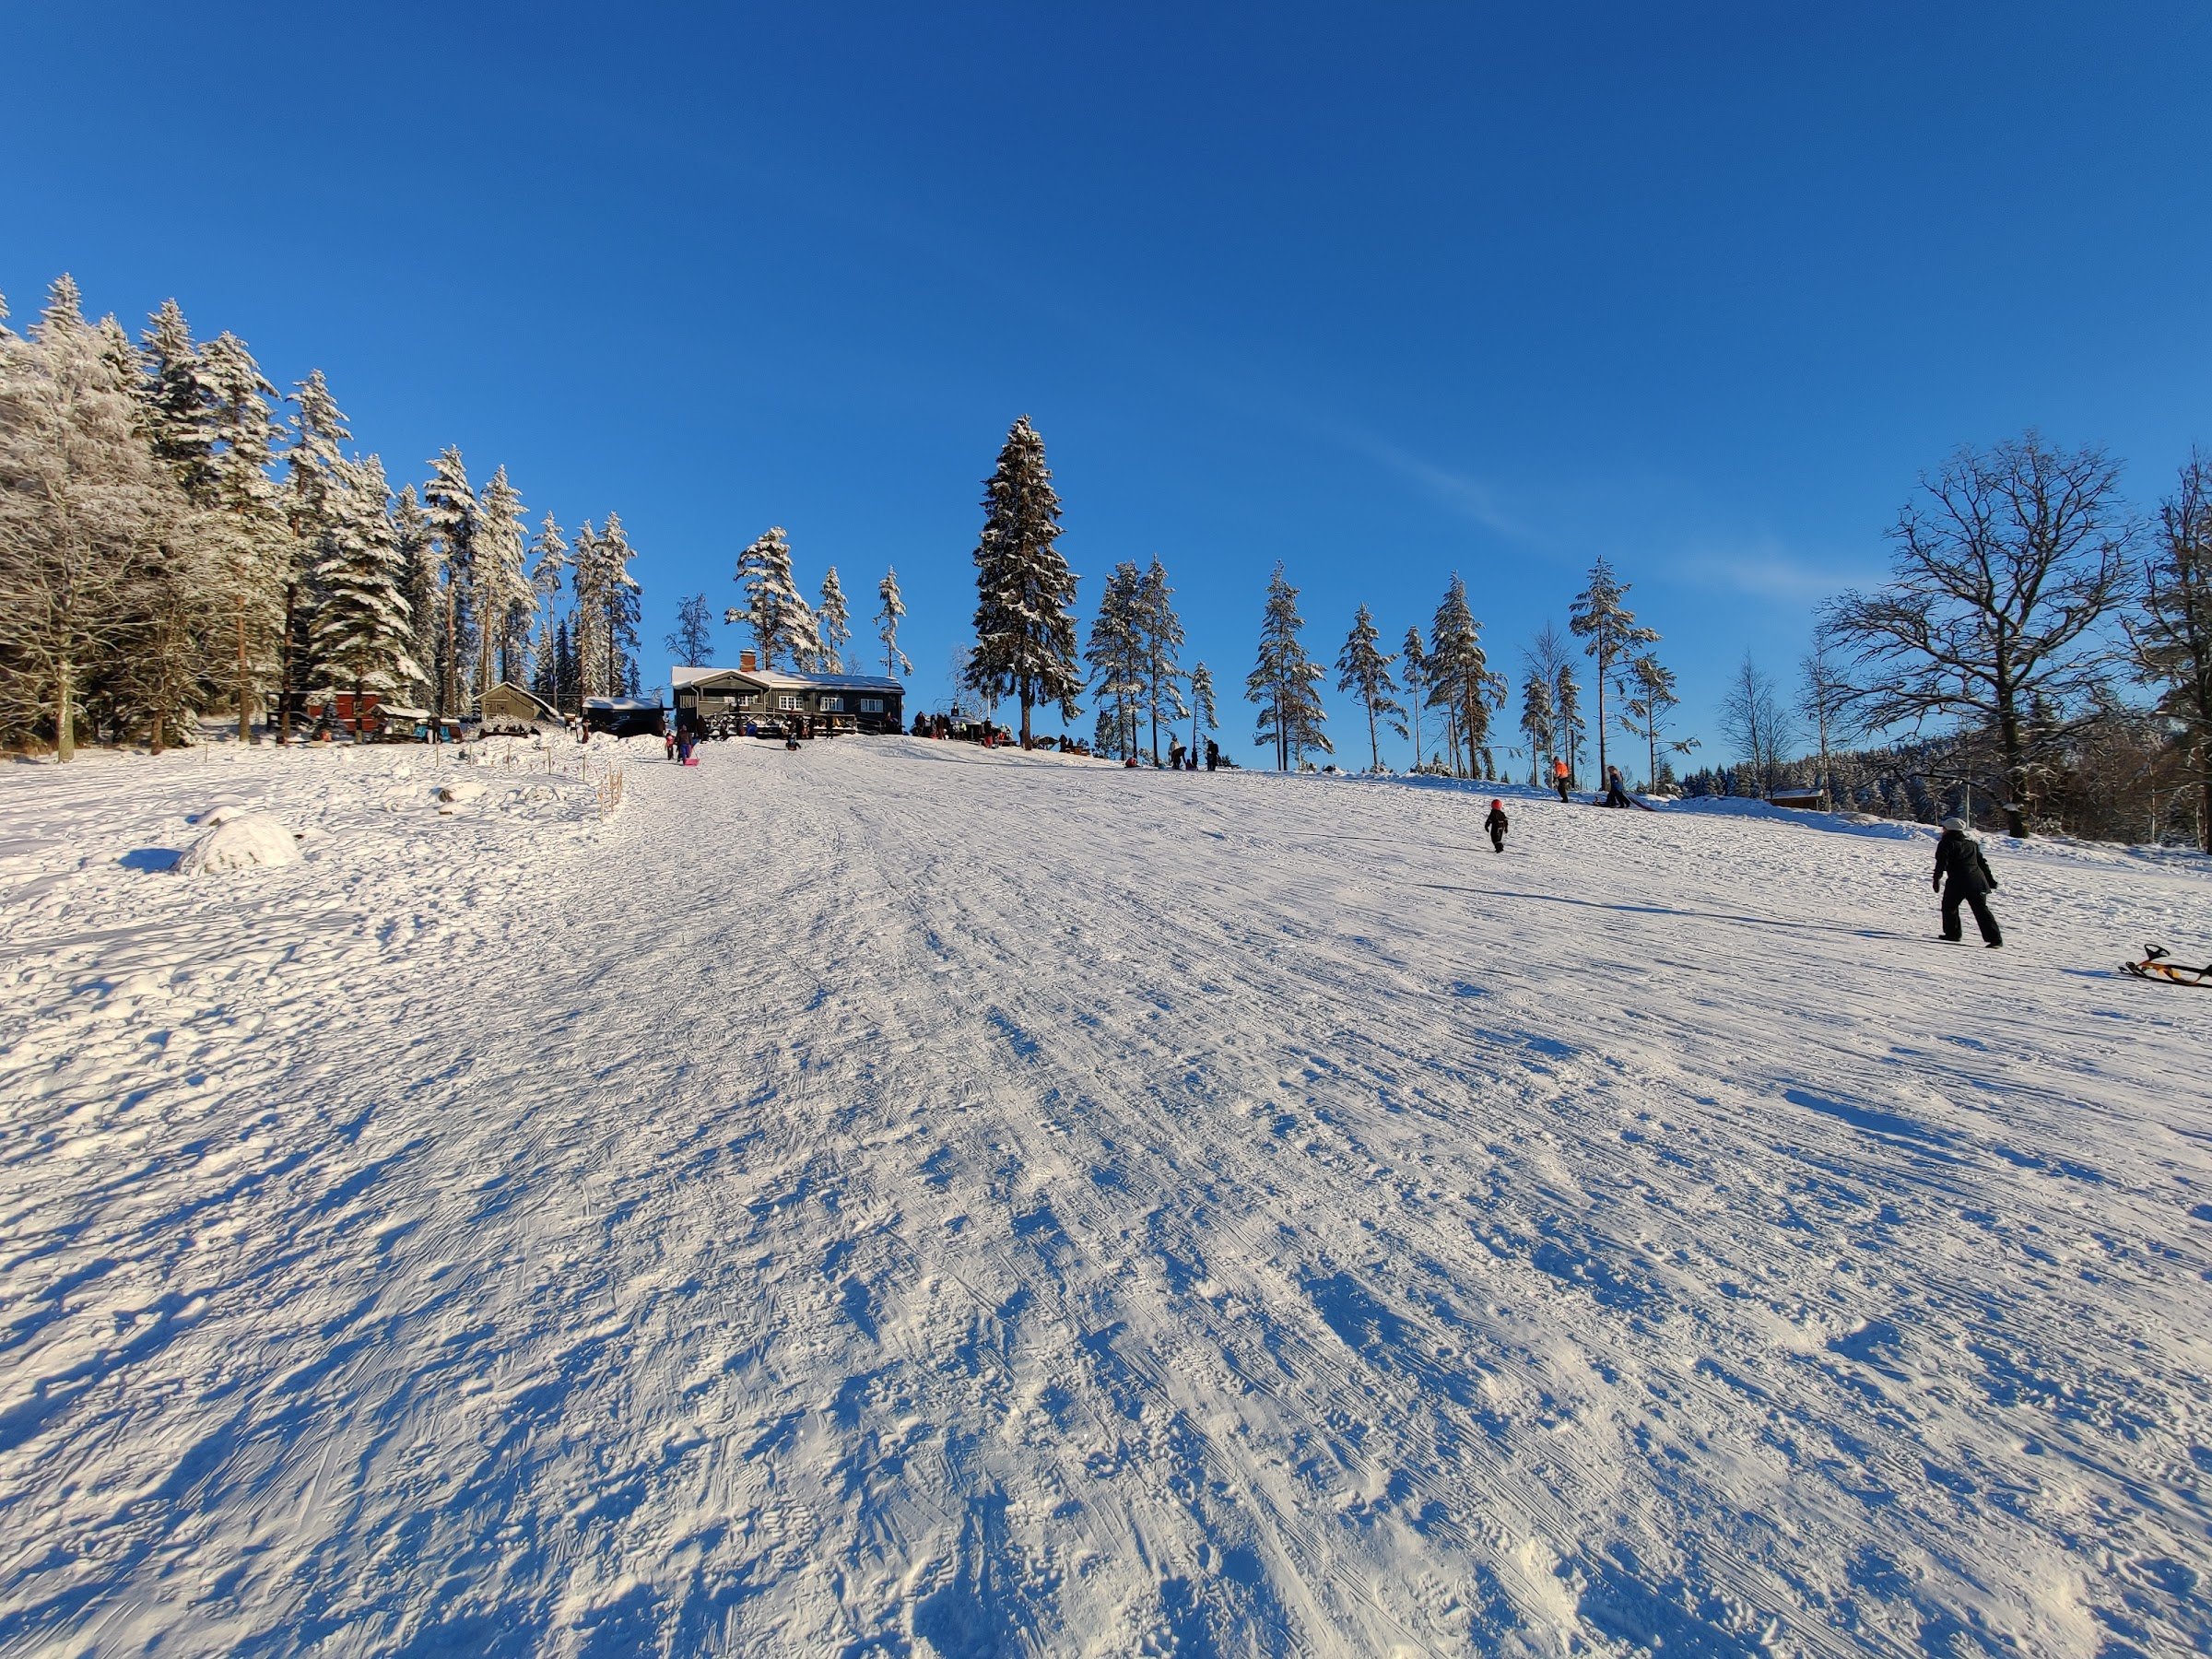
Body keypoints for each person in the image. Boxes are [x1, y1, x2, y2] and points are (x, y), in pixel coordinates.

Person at [1932, 817, 2003, 947]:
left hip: (1958, 881)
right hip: (1977, 881)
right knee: (1982, 910)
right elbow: (1982, 863)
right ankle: (1995, 939)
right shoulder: (1972, 844)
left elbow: (1941, 862)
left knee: (1949, 906)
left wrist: (1936, 878)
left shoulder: (1946, 843)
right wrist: (1990, 880)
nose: (1942, 831)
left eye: (1944, 828)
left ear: (1948, 830)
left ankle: (1953, 934)